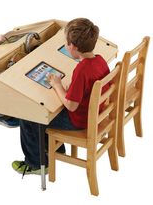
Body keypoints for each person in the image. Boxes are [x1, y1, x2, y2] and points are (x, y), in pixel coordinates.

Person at [12, 18, 110, 175]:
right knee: (46, 109)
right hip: (93, 112)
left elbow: (71, 106)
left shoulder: (82, 70)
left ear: (73, 47)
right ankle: (58, 149)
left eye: (66, 44)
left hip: (79, 120)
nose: (65, 46)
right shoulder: (99, 60)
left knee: (30, 116)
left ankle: (35, 163)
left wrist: (57, 85)